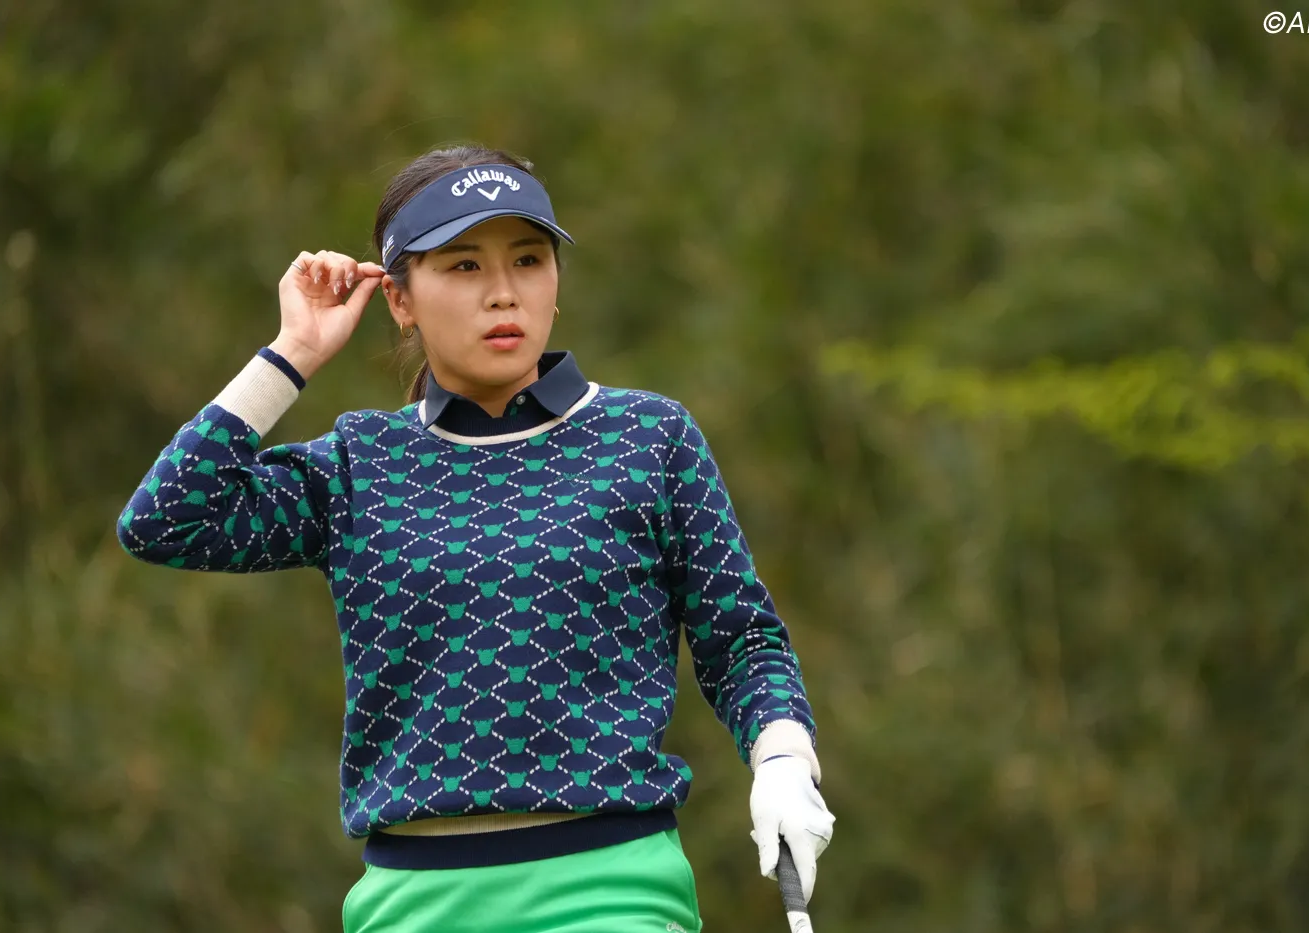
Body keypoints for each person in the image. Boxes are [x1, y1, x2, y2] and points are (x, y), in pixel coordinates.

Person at [117, 144, 834, 932]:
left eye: (528, 259)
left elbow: (741, 639)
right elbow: (166, 518)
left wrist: (781, 758)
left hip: (612, 891)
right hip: (412, 903)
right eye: (463, 266)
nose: (503, 292)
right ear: (399, 298)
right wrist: (294, 354)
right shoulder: (361, 462)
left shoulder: (648, 437)